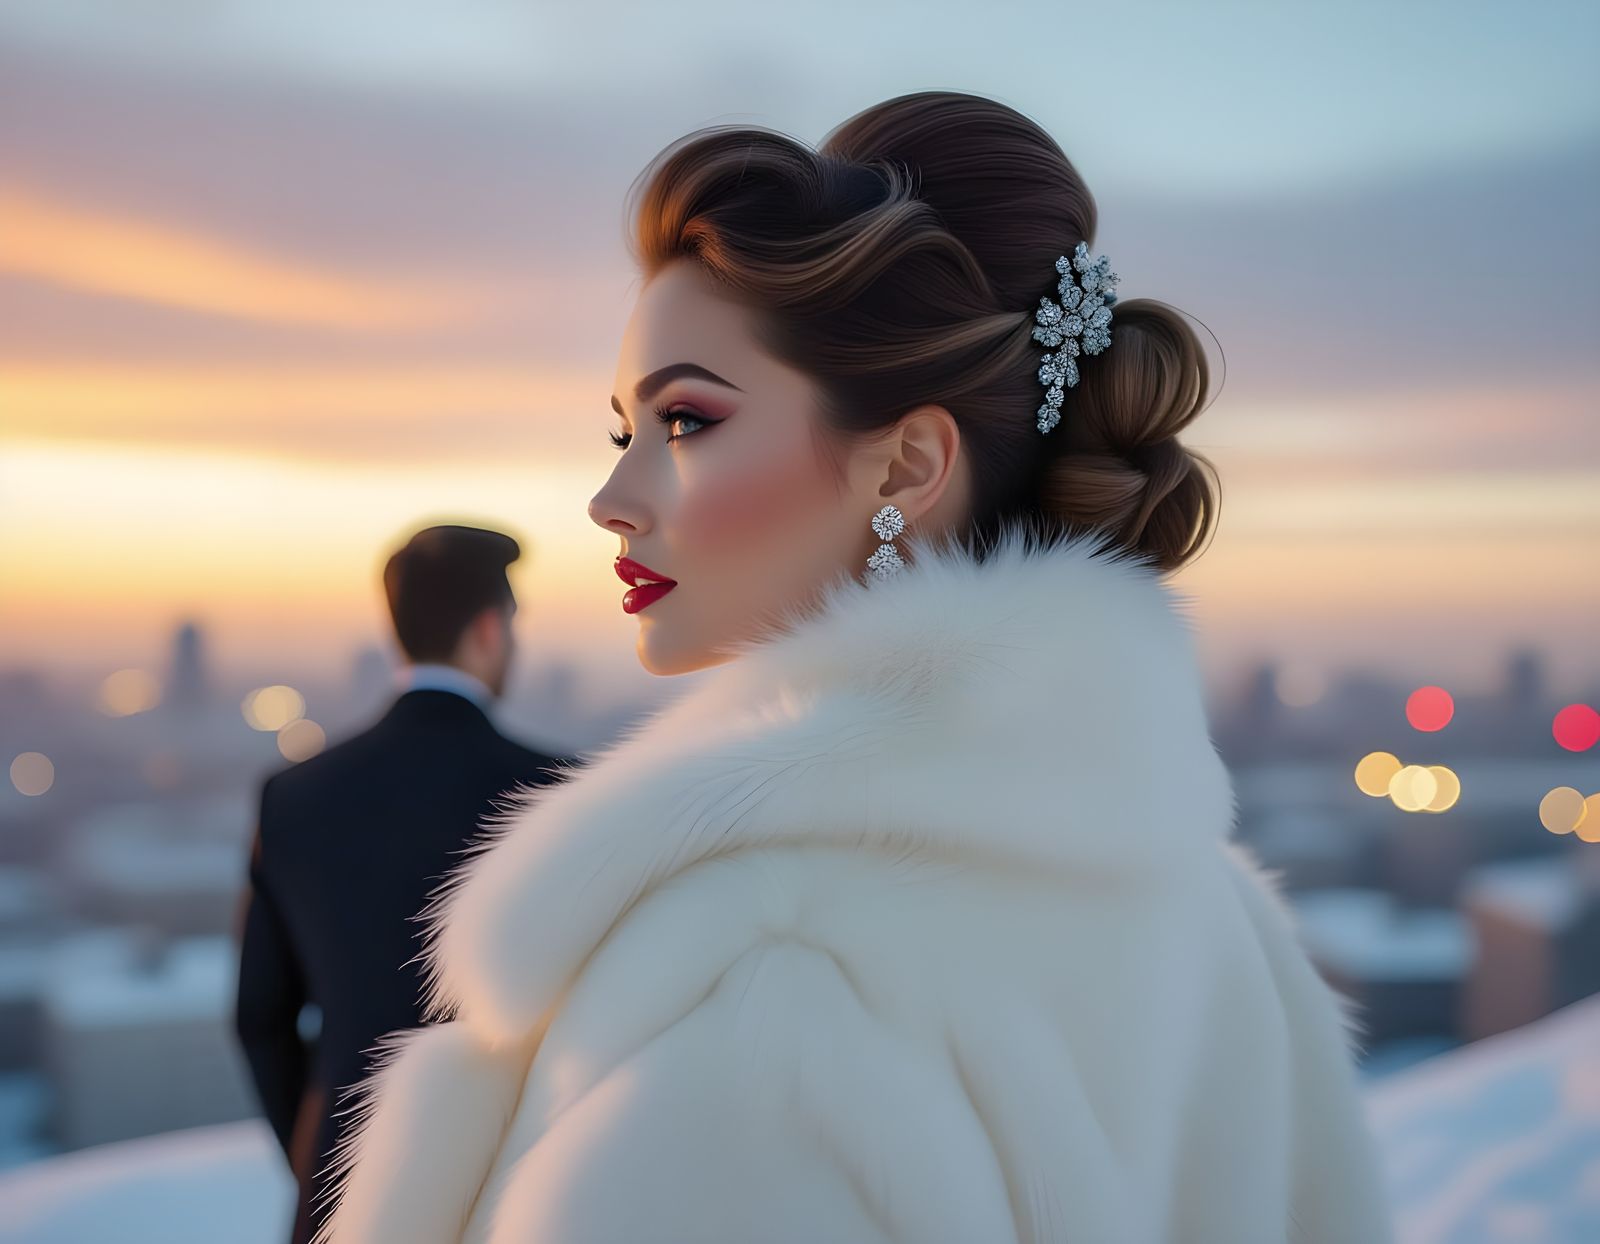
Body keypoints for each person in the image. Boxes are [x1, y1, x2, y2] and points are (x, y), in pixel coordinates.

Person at [313, 92, 1395, 1243]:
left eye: (684, 421)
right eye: (620, 432)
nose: (611, 499)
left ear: (905, 466)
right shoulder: (1223, 927)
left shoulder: (767, 995)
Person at [233, 523, 573, 1244]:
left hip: (345, 1186)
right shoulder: (554, 791)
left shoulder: (293, 795)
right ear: (488, 628)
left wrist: (320, 1159)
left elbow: (260, 1017)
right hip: (509, 1182)